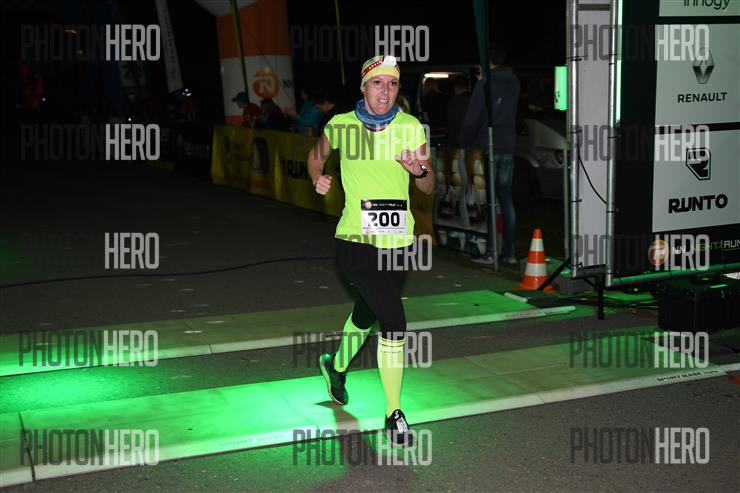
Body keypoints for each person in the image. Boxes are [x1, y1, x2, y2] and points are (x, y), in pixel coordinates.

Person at [307, 55, 434, 447]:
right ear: (364, 87)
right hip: (355, 241)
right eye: (377, 83)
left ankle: (335, 367)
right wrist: (318, 177)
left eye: (392, 84)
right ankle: (394, 413)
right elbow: (315, 156)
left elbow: (429, 186)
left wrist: (419, 172)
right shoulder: (341, 125)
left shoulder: (410, 127)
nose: (385, 91)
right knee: (393, 319)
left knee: (366, 313)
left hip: (398, 241)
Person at [459, 44, 520, 264]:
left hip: (488, 146)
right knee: (506, 199)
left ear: (488, 62)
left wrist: (464, 144)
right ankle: (510, 252)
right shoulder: (514, 82)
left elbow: (473, 118)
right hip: (508, 146)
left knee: (488, 201)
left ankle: (490, 251)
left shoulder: (485, 84)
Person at [446, 78, 471, 148]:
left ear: (455, 88)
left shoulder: (454, 103)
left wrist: (450, 144)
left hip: (458, 142)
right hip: (473, 140)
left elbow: (453, 125)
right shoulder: (475, 100)